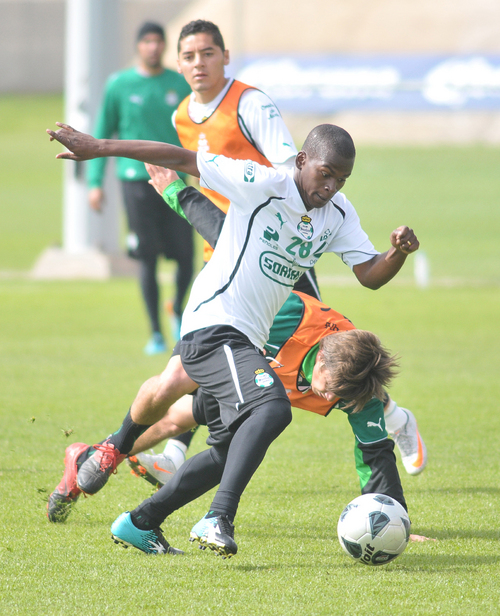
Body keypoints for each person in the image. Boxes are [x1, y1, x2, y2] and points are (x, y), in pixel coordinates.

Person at [46, 120, 420, 558]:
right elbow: (183, 158)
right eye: (326, 173)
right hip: (214, 321)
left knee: (226, 448)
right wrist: (99, 147)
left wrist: (397, 253)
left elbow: (369, 274)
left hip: (245, 341)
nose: (332, 186)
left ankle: (138, 521)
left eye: (342, 179)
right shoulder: (263, 183)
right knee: (269, 409)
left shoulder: (338, 214)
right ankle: (213, 515)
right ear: (302, 160)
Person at [126, 166, 427, 489]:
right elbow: (219, 223)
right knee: (204, 382)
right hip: (243, 285)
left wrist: (178, 192)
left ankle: (394, 418)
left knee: (342, 379)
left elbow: (222, 209)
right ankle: (146, 454)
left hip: (287, 280)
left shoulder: (278, 164)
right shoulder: (204, 140)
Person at [87, 22, 194, 353]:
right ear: (138, 46)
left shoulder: (179, 83)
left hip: (175, 179)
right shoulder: (119, 85)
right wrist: (95, 183)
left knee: (186, 255)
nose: (153, 47)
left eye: (158, 41)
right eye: (147, 41)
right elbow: (103, 133)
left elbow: (195, 131)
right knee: (147, 257)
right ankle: (156, 333)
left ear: (164, 46)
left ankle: (177, 309)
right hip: (136, 182)